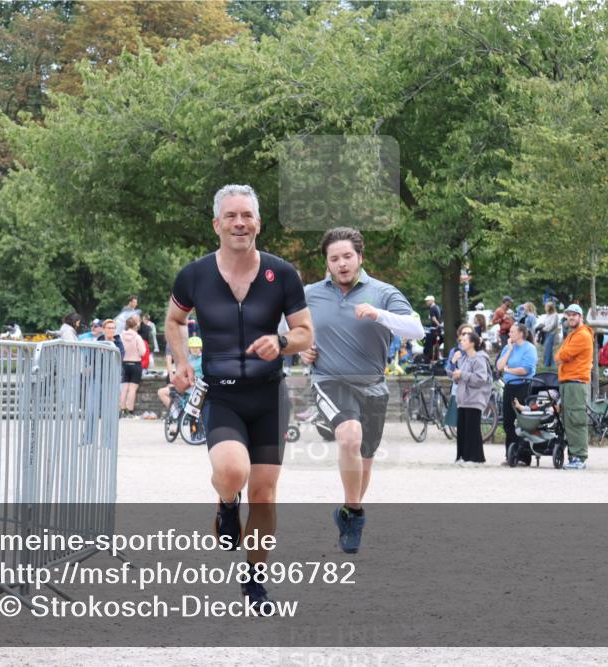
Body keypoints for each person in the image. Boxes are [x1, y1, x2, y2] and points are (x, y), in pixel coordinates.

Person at [164, 184, 313, 613]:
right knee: (232, 471)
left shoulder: (281, 274)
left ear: (258, 223)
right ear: (217, 224)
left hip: (269, 396)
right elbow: (175, 319)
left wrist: (282, 342)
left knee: (264, 494)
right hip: (223, 395)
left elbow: (305, 332)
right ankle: (227, 503)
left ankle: (254, 582)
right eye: (231, 216)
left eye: (247, 215)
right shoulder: (194, 275)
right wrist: (180, 361)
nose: (239, 223)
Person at [299, 227, 423, 554]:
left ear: (360, 258)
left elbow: (416, 328)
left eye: (347, 257)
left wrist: (378, 314)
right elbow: (287, 330)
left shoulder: (383, 293)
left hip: (373, 386)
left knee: (365, 460)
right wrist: (300, 350)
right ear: (326, 262)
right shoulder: (310, 293)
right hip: (329, 380)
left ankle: (349, 509)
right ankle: (355, 515)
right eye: (334, 258)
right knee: (349, 436)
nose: (341, 264)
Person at [555, 304, 594, 470]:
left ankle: (579, 458)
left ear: (581, 317)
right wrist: (561, 356)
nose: (571, 318)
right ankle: (574, 456)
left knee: (576, 419)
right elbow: (559, 356)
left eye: (574, 315)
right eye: (568, 315)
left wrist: (561, 356)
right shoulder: (573, 334)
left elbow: (562, 355)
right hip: (568, 382)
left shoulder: (582, 335)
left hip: (576, 382)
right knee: (569, 420)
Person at [496, 322, 538, 465]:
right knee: (508, 421)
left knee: (522, 420)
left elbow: (525, 370)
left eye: (512, 332)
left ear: (520, 333)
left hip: (524, 386)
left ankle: (524, 456)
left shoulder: (529, 349)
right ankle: (511, 455)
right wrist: (509, 350)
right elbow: (499, 366)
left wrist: (508, 370)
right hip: (509, 386)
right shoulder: (509, 347)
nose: (509, 334)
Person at [452, 330, 492, 465]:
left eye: (464, 340)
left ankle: (476, 458)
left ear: (472, 343)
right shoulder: (463, 358)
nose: (461, 342)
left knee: (472, 429)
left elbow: (481, 379)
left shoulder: (479, 358)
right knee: (462, 429)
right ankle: (462, 456)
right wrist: (455, 370)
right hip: (463, 399)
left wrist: (462, 374)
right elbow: (459, 377)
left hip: (475, 398)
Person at [119, 315, 148, 418]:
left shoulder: (121, 336)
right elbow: (143, 352)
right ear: (136, 325)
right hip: (135, 364)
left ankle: (122, 409)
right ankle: (130, 410)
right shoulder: (137, 337)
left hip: (124, 364)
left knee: (124, 388)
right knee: (132, 389)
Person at [539, 301, 560, 367]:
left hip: (551, 333)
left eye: (546, 307)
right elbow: (544, 323)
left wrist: (544, 329)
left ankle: (546, 364)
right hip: (546, 334)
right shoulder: (547, 315)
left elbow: (553, 325)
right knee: (549, 350)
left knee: (547, 350)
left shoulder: (555, 315)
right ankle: (552, 364)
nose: (545, 308)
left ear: (550, 307)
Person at [423, 295, 442, 362]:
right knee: (436, 344)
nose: (426, 302)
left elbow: (433, 319)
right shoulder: (437, 307)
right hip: (437, 329)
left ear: (432, 301)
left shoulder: (432, 308)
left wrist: (438, 325)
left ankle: (429, 358)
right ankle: (437, 357)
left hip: (434, 329)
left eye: (427, 301)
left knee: (429, 345)